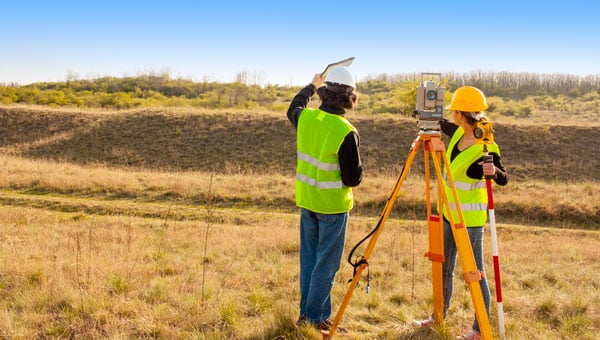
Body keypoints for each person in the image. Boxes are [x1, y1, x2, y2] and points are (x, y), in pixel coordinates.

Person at [412, 86, 508, 340]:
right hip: (447, 215)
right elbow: (443, 125)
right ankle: (438, 316)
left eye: (454, 110)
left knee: (475, 275)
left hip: (470, 223)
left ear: (460, 114)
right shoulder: (457, 134)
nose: (452, 114)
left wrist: (494, 173)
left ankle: (479, 330)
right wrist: (424, 115)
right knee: (443, 268)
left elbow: (503, 178)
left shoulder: (486, 146)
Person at [286, 66, 363, 332]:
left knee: (310, 262)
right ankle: (313, 319)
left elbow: (293, 107)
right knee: (326, 267)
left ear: (324, 92)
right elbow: (353, 179)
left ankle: (311, 315)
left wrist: (311, 85)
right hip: (332, 208)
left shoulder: (306, 118)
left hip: (307, 202)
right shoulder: (345, 131)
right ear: (349, 97)